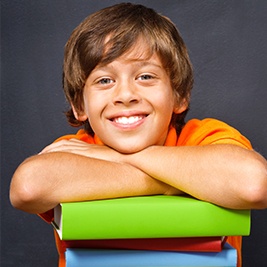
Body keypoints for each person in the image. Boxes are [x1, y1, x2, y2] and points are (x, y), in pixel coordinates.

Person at [10, 3, 267, 267]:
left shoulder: (204, 137)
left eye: (145, 76)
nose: (125, 95)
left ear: (179, 95)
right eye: (104, 81)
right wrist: (178, 182)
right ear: (79, 105)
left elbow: (254, 184)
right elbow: (28, 188)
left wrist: (120, 158)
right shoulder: (77, 148)